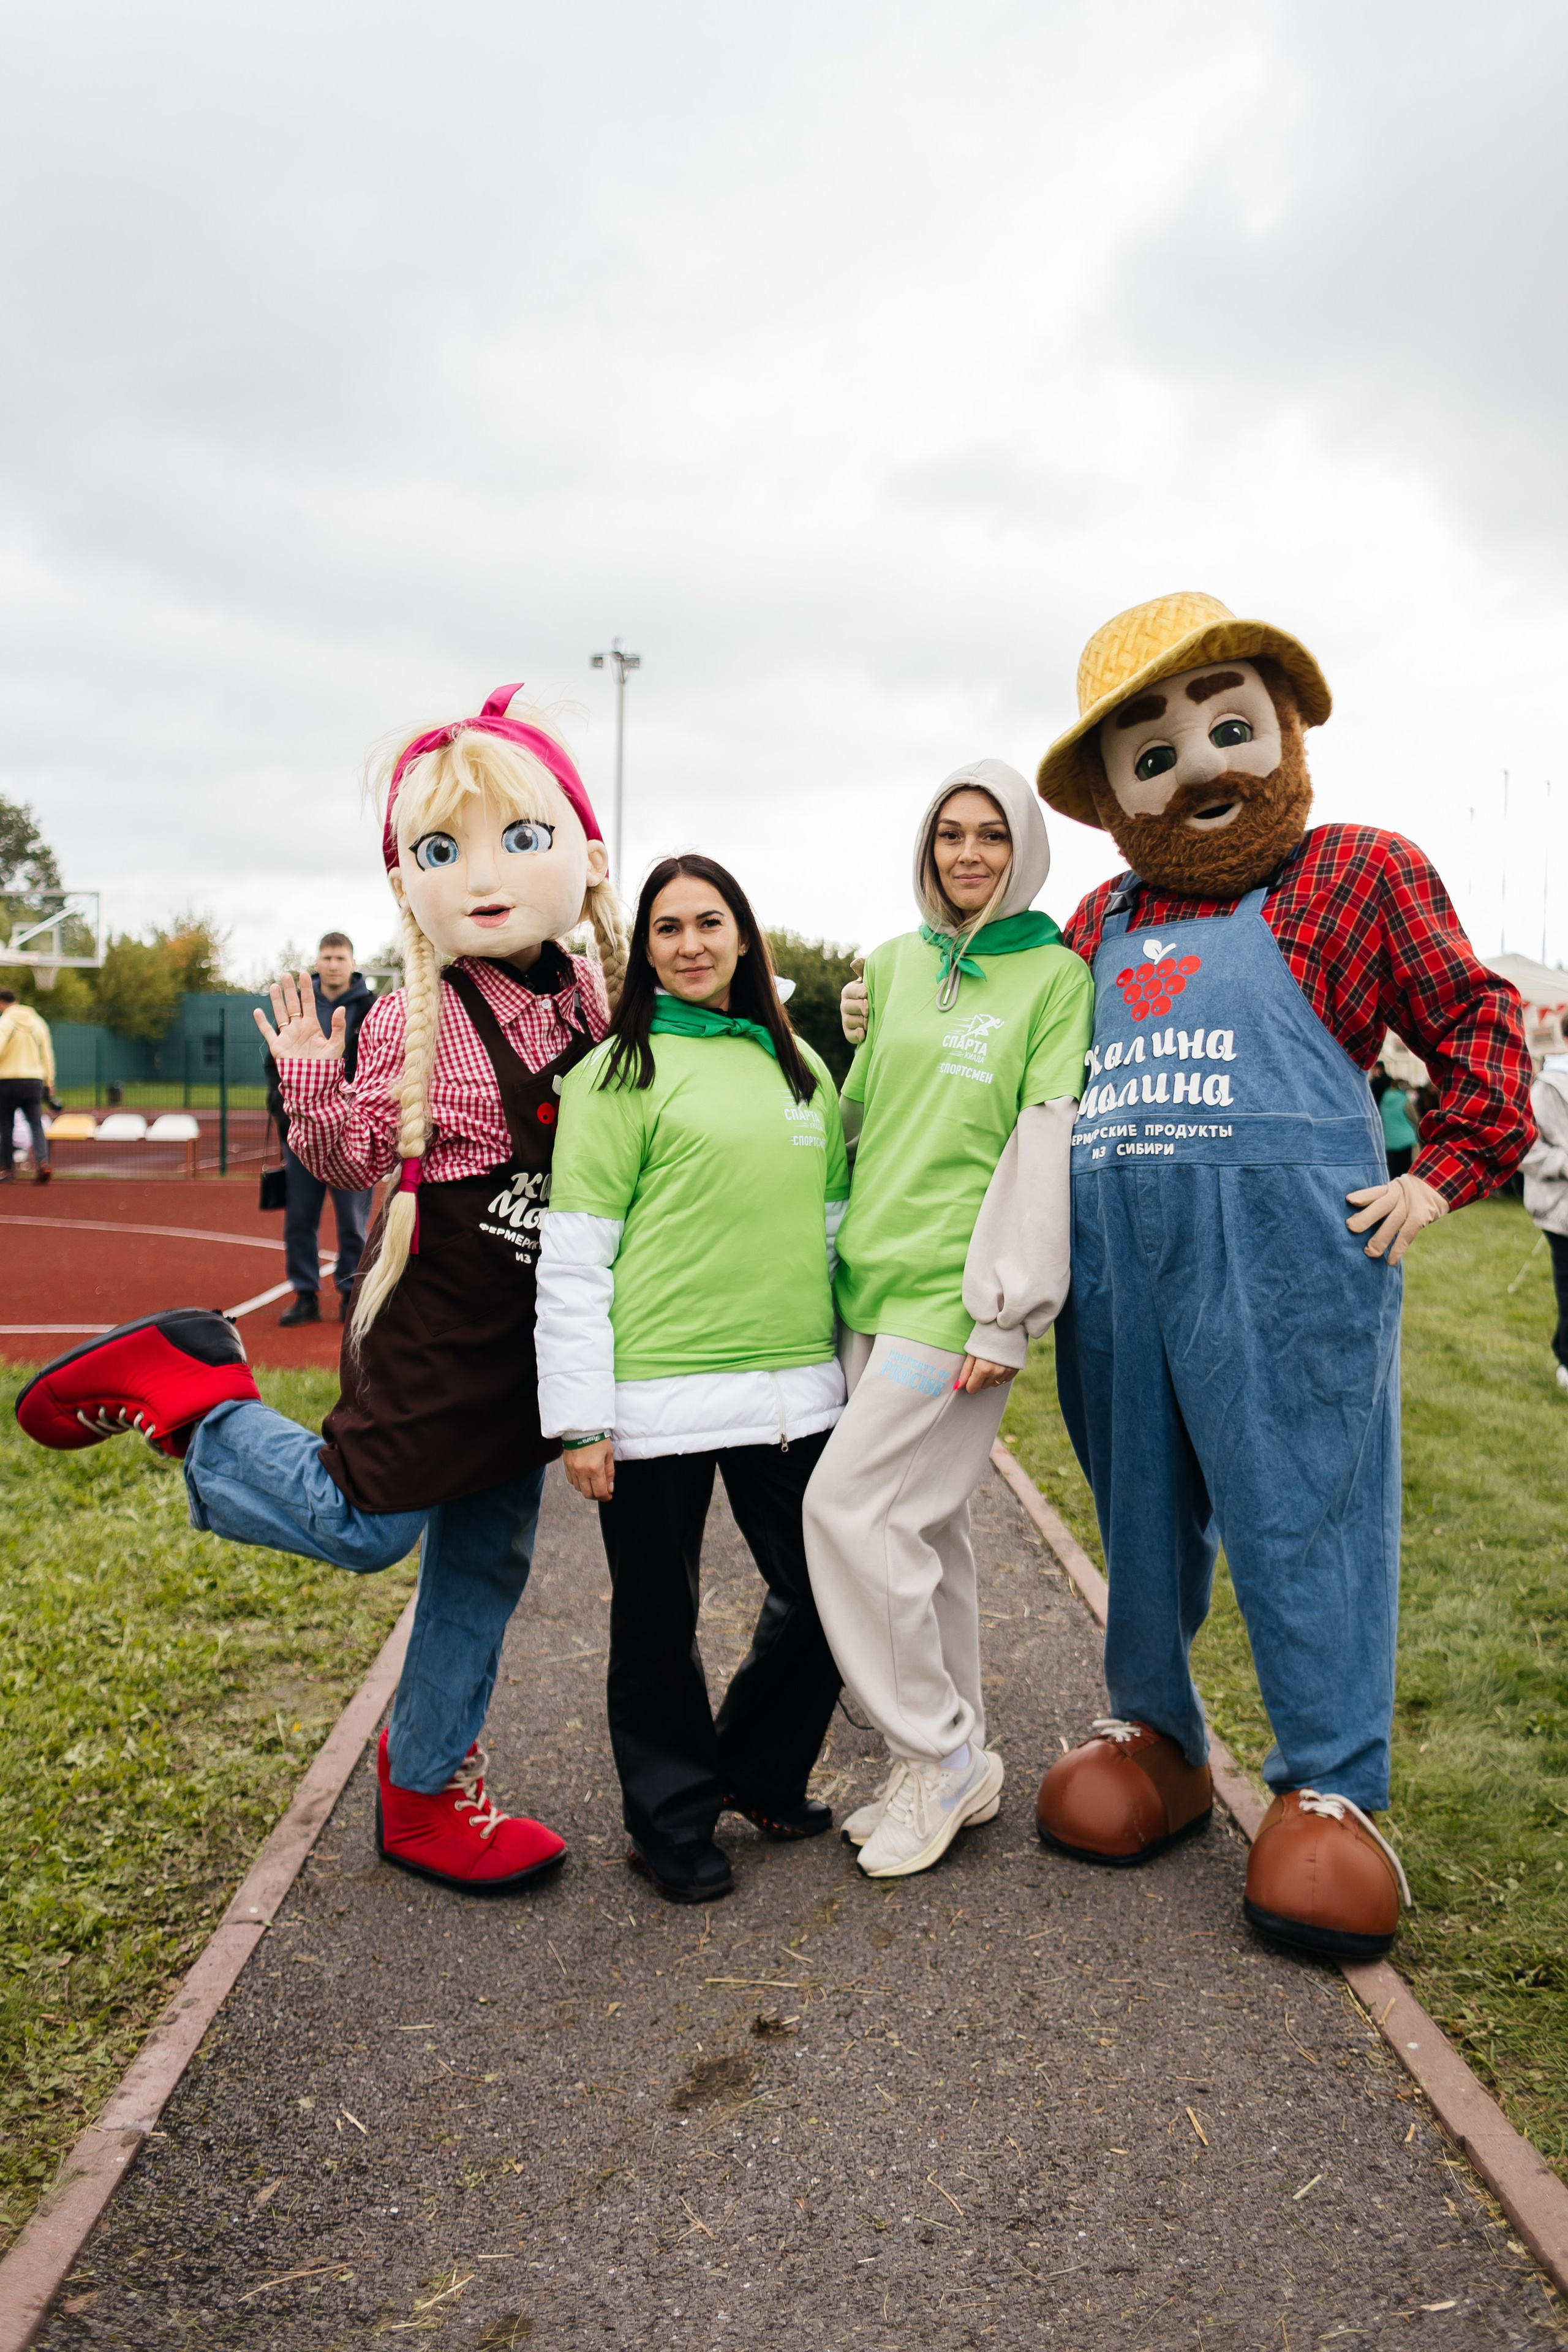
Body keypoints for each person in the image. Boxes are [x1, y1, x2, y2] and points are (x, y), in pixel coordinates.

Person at [17, 687, 629, 1894]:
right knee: (365, 1523)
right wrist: (309, 1079)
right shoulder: (413, 1015)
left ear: (584, 856)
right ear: (407, 880)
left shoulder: (593, 1000)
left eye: (519, 840)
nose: (484, 877)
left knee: (487, 1563)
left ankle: (425, 1792)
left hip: (536, 1340)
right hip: (439, 1323)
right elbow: (352, 1160)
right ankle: (199, 1403)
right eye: (443, 852)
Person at [1023, 591, 1530, 1958]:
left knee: (1306, 1509)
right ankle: (1156, 1736)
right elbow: (1026, 1068)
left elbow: (1475, 1021)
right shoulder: (1097, 915)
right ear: (1112, 798)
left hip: (1290, 1267)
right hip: (1120, 1275)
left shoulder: (1355, 872)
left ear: (1286, 729)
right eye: (1153, 754)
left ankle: (1329, 1784)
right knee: (1135, 1509)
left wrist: (1442, 1172)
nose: (1199, 767)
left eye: (1227, 729)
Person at [536, 856, 849, 1905]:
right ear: (645, 950)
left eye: (709, 923)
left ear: (743, 936)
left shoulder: (800, 1067)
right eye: (667, 929)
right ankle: (669, 1821)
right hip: (652, 1400)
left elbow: (833, 1233)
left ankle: (754, 1774)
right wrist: (580, 1420)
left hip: (792, 1392)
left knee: (831, 1594)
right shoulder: (614, 1072)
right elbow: (576, 1257)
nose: (690, 945)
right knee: (656, 1625)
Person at [807, 760, 1093, 1881]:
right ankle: (949, 1750)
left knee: (851, 1512)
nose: (969, 853)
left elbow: (1044, 1138)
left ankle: (934, 1753)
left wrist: (1007, 1312)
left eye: (991, 834)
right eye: (950, 834)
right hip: (869, 1286)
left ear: (1023, 848)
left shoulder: (1057, 977)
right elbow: (859, 1120)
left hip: (956, 1300)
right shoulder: (891, 964)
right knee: (925, 1530)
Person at [266, 933, 375, 1326]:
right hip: (303, 1135)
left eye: (340, 958)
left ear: (352, 964)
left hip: (353, 1135)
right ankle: (305, 1295)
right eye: (327, 957)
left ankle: (350, 1295)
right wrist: (287, 1118)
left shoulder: (373, 1008)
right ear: (318, 961)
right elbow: (275, 1067)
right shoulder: (297, 1008)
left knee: (353, 1223)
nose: (332, 964)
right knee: (300, 1218)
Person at [1522, 1049, 1568, 1396]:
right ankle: (1567, 1361)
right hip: (1560, 1210)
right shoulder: (1547, 1085)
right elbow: (1524, 1147)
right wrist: (1564, 1164)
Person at [0, 987, 55, 1185]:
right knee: (36, 1124)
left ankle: (7, 1169)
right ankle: (43, 1162)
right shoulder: (37, 1021)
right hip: (34, 1080)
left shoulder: (6, 1022)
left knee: (6, 1126)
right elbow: (46, 1053)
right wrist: (49, 1081)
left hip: (7, 1080)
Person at [1373, 1060, 1419, 1178]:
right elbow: (1415, 1119)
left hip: (1389, 1140)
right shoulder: (1405, 1100)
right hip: (1406, 1140)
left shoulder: (1384, 1100)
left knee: (1393, 1170)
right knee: (1405, 1170)